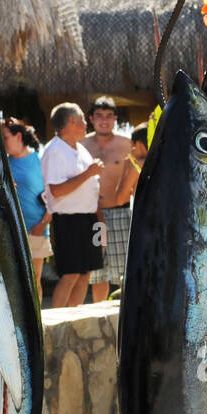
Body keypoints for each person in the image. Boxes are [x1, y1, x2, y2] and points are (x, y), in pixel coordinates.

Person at [41, 103, 104, 309]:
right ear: (71, 121)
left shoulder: (81, 149)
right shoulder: (54, 150)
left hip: (88, 218)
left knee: (86, 273)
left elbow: (90, 187)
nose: (86, 123)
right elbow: (56, 190)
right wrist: (89, 172)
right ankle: (58, 322)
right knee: (71, 274)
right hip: (67, 219)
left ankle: (74, 320)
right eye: (83, 119)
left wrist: (100, 224)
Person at [82, 97, 134, 303]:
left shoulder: (126, 143)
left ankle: (125, 314)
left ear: (115, 119)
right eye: (99, 116)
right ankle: (98, 312)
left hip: (120, 212)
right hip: (93, 215)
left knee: (125, 268)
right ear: (91, 119)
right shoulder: (81, 144)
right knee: (98, 271)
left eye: (109, 116)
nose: (104, 121)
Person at [1, 116, 52, 303]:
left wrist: (44, 222)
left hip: (36, 228)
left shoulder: (40, 160)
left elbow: (54, 195)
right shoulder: (2, 164)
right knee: (13, 282)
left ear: (18, 137)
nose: (2, 141)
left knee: (35, 280)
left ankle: (37, 323)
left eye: (5, 137)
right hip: (11, 231)